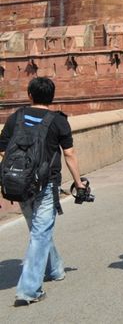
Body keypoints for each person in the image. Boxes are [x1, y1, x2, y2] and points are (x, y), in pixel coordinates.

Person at [0, 77, 87, 306]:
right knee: (41, 231)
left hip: (20, 184)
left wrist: (15, 174)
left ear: (30, 95)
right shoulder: (58, 121)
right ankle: (29, 290)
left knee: (38, 229)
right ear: (52, 96)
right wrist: (79, 184)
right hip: (45, 184)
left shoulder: (16, 117)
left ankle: (55, 269)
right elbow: (69, 154)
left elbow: (2, 152)